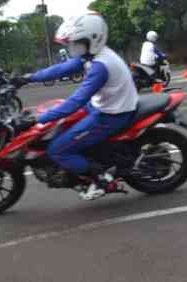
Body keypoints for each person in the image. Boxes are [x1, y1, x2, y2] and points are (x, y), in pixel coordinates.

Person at [15, 12, 139, 200]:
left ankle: (101, 179)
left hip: (112, 114)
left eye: (75, 43)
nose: (71, 48)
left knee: (58, 149)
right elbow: (60, 69)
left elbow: (75, 102)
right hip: (102, 105)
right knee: (58, 129)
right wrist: (28, 78)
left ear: (92, 40)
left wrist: (37, 120)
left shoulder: (100, 65)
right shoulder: (91, 55)